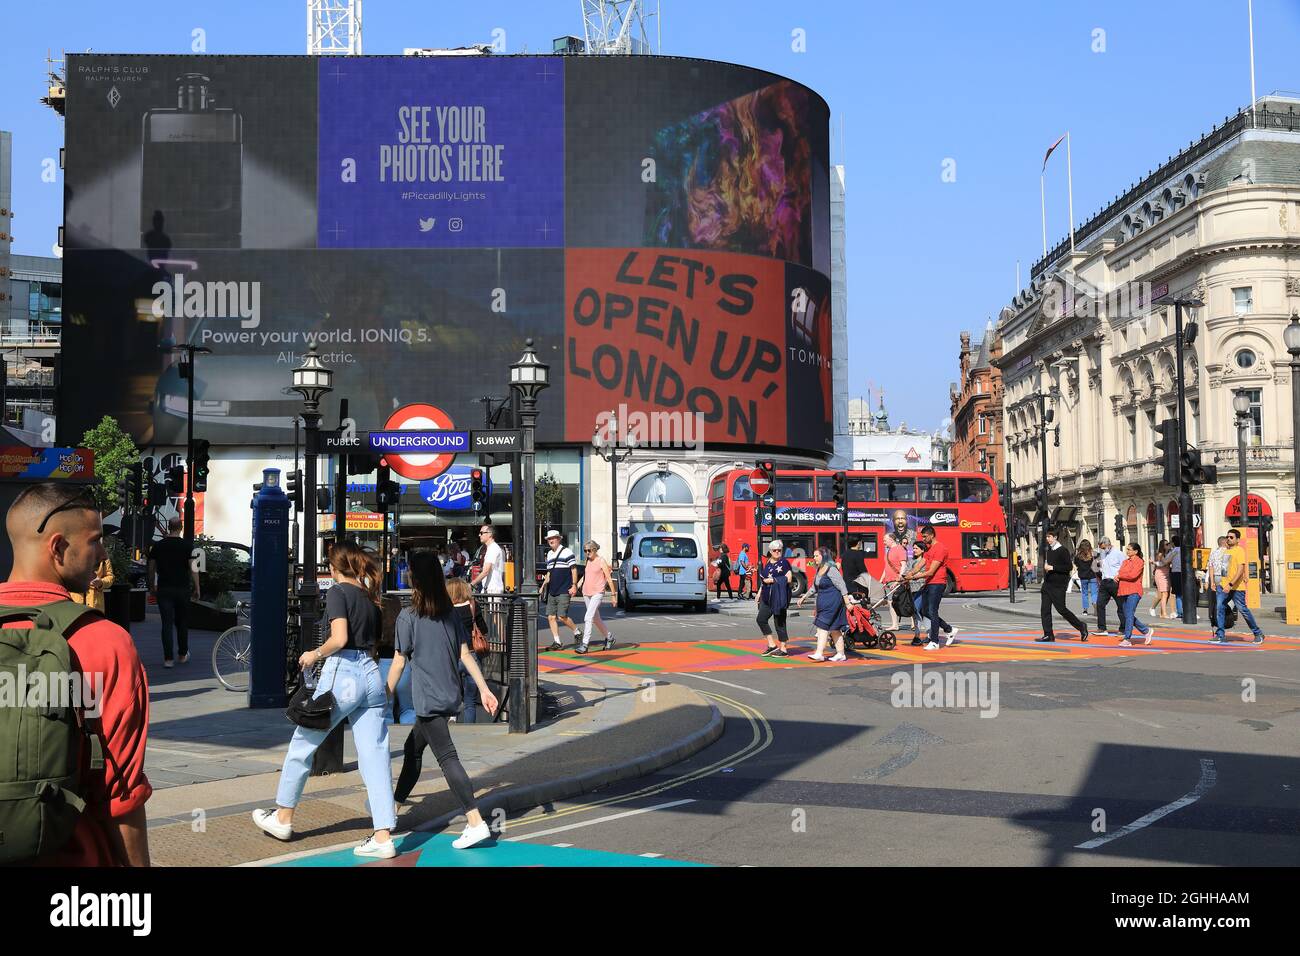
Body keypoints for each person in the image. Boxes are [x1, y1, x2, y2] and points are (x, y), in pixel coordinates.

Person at [0, 484, 152, 865]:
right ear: (57, 547)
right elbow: (121, 794)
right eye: (95, 541)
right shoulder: (105, 642)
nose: (101, 556)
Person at [252, 541, 398, 858]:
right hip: (372, 675)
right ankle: (383, 836)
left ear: (333, 568)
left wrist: (313, 654)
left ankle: (282, 818)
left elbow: (340, 638)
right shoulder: (369, 597)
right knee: (375, 756)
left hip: (343, 673)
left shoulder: (336, 593)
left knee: (302, 745)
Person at [388, 551, 499, 850]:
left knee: (447, 758)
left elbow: (398, 662)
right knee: (413, 750)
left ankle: (475, 822)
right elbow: (465, 654)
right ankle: (393, 810)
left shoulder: (408, 616)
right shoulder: (449, 613)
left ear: (414, 578)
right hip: (449, 692)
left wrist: (383, 696)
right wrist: (484, 688)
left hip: (428, 698)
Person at [147, 515, 200, 668]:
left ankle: (168, 659)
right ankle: (182, 654)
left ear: (169, 527)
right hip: (182, 589)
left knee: (166, 623)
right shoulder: (187, 546)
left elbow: (151, 568)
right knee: (182, 622)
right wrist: (197, 587)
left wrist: (151, 587)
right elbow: (194, 568)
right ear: (181, 527)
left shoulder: (158, 546)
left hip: (164, 588)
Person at [900, 526, 956, 650]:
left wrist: (916, 577)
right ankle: (949, 629)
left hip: (937, 583)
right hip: (929, 583)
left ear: (931, 535)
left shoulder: (940, 548)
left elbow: (931, 572)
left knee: (932, 611)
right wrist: (910, 574)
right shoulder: (929, 549)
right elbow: (920, 564)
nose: (923, 539)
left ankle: (935, 642)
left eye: (925, 537)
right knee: (925, 611)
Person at [1211, 529, 1265, 645]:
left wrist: (1230, 584)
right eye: (1227, 537)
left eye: (1231, 537)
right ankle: (1220, 634)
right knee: (1220, 608)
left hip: (1236, 587)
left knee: (1243, 610)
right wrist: (1220, 583)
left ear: (1237, 540)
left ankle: (1258, 633)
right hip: (1223, 585)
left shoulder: (1239, 551)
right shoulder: (1226, 552)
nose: (1228, 539)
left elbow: (1240, 569)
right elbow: (1225, 570)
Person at [1036, 527, 1090, 643]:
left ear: (1055, 537)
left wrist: (1053, 567)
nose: (1047, 539)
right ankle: (1048, 634)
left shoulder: (1063, 550)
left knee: (1061, 609)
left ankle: (1081, 627)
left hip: (1058, 585)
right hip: (1048, 584)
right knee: (1044, 610)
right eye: (1046, 537)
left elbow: (1068, 567)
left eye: (1049, 537)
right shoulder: (1049, 550)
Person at [796, 546, 850, 662]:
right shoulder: (819, 569)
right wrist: (805, 596)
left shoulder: (831, 569)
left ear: (824, 556)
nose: (814, 558)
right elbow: (815, 587)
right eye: (814, 555)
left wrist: (847, 602)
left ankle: (819, 653)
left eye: (816, 555)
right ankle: (841, 654)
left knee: (822, 627)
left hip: (832, 602)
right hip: (824, 603)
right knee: (834, 629)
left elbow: (842, 585)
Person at [446, 577, 488, 722]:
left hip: (453, 656)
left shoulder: (447, 609)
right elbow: (483, 628)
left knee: (453, 692)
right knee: (470, 700)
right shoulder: (472, 605)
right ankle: (469, 727)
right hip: (472, 655)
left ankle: (452, 718)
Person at [541, 530, 582, 651]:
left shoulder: (567, 552)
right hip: (552, 589)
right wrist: (543, 585)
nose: (551, 541)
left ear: (559, 539)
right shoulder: (549, 554)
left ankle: (577, 631)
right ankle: (557, 641)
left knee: (562, 616)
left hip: (564, 589)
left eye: (553, 538)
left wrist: (574, 585)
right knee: (551, 617)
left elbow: (574, 570)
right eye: (549, 539)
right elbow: (549, 572)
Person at [578, 540, 617, 653]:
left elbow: (609, 579)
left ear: (594, 550)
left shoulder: (601, 561)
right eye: (585, 551)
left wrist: (613, 595)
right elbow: (586, 575)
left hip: (598, 592)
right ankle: (609, 638)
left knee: (588, 617)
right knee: (596, 619)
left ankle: (585, 644)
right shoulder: (587, 561)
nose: (587, 553)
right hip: (586, 592)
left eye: (589, 550)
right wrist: (576, 586)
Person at [756, 540, 792, 656]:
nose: (777, 552)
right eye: (774, 550)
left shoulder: (784, 562)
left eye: (779, 550)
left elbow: (789, 578)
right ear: (770, 551)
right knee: (761, 619)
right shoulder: (768, 563)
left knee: (779, 622)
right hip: (767, 597)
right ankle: (772, 645)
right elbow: (763, 579)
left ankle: (783, 649)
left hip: (779, 597)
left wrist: (773, 580)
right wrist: (759, 592)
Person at [1116, 541, 1154, 646]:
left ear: (1136, 551)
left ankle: (1127, 638)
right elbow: (1121, 572)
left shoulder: (1139, 561)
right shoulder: (1125, 562)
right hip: (1123, 590)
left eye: (1129, 549)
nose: (1127, 551)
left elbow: (1132, 575)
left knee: (1128, 614)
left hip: (1134, 590)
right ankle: (1146, 631)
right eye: (1127, 549)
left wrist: (1120, 575)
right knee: (1127, 614)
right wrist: (1120, 575)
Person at [1094, 537, 1126, 636]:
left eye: (1103, 547)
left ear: (1108, 544)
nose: (1103, 549)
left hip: (1115, 582)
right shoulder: (1103, 554)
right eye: (1101, 548)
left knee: (1120, 606)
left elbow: (1124, 566)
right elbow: (1102, 566)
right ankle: (1102, 628)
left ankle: (1123, 628)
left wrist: (1119, 577)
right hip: (1104, 582)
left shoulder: (1118, 554)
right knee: (1100, 604)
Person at [880, 532, 906, 629]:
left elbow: (903, 565)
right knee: (890, 602)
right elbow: (886, 566)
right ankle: (895, 624)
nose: (883, 542)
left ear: (891, 539)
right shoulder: (889, 550)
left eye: (885, 540)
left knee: (900, 602)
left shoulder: (899, 549)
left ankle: (897, 624)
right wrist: (882, 579)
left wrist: (898, 579)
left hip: (895, 580)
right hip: (888, 580)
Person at [469, 525, 504, 594]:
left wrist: (471, 584)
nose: (479, 535)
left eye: (481, 533)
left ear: (490, 534)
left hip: (493, 590)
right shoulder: (491, 548)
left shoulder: (493, 549)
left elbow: (486, 571)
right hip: (489, 589)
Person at [1073, 540, 1097, 616]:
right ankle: (1095, 604)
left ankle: (1085, 610)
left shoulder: (1078, 556)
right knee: (1094, 593)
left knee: (1084, 593)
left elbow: (1076, 564)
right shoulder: (1093, 555)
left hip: (1083, 577)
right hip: (1092, 575)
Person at [1153, 540, 1172, 619]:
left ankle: (1162, 613)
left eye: (1168, 544)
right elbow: (1162, 564)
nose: (1168, 545)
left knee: (1166, 594)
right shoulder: (1160, 554)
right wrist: (1154, 563)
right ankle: (1163, 613)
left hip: (1166, 574)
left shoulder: (1168, 553)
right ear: (1162, 546)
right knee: (1164, 594)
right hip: (1161, 574)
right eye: (1166, 544)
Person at [1167, 539, 1183, 618]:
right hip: (1185, 574)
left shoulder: (1173, 551)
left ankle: (1180, 612)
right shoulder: (1184, 550)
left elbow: (1166, 561)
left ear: (1173, 543)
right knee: (1185, 593)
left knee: (1178, 594)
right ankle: (1185, 611)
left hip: (1176, 573)